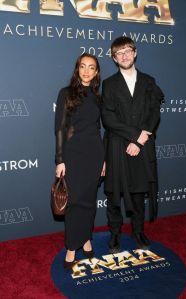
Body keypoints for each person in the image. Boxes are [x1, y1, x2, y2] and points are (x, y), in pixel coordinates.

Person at [101, 36, 164, 253]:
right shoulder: (109, 84)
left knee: (138, 193)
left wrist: (140, 139)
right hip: (117, 146)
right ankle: (115, 234)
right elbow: (108, 119)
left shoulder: (149, 81)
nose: (124, 56)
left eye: (128, 51)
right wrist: (135, 136)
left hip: (142, 145)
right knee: (114, 195)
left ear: (135, 52)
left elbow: (154, 114)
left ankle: (138, 231)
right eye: (119, 53)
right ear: (114, 58)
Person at [55, 53, 104, 269]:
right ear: (77, 69)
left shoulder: (98, 97)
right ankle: (72, 247)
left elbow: (98, 129)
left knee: (89, 200)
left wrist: (104, 160)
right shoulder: (66, 93)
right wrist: (60, 159)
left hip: (94, 154)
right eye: (82, 66)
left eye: (91, 67)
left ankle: (85, 238)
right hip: (73, 155)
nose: (86, 71)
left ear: (96, 72)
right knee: (74, 202)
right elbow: (60, 129)